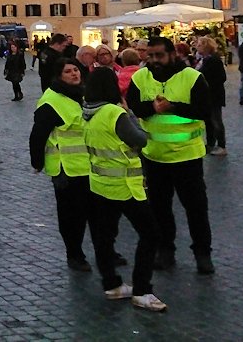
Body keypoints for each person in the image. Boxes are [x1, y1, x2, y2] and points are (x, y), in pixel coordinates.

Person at [126, 37, 214, 275]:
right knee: (159, 209)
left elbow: (205, 111)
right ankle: (165, 251)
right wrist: (152, 109)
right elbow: (134, 106)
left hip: (187, 157)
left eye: (159, 56)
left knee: (196, 209)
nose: (154, 60)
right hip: (154, 157)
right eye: (150, 56)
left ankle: (202, 254)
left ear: (172, 54)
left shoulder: (192, 78)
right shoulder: (140, 78)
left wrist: (173, 107)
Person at [81, 69, 166, 312]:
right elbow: (140, 139)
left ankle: (112, 284)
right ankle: (142, 289)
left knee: (105, 237)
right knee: (150, 234)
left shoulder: (87, 112)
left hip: (100, 183)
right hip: (124, 186)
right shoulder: (113, 113)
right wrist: (129, 112)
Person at [29, 58, 94, 271]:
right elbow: (38, 134)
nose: (75, 74)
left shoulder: (84, 94)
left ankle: (104, 250)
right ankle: (74, 253)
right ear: (59, 76)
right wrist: (37, 161)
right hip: (66, 167)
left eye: (76, 70)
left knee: (94, 212)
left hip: (89, 164)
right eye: (68, 71)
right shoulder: (51, 101)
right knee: (71, 215)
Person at [195, 37, 227, 157]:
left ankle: (221, 145)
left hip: (214, 95)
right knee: (209, 120)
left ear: (205, 46)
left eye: (199, 45)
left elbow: (221, 77)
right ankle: (211, 144)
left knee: (216, 120)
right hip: (208, 95)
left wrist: (206, 82)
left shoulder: (213, 60)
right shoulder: (204, 59)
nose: (196, 47)